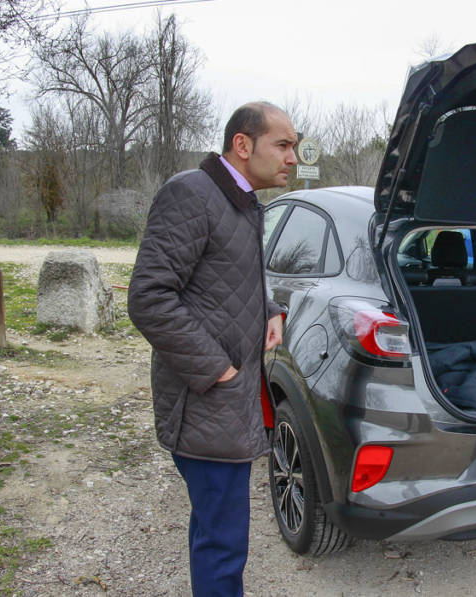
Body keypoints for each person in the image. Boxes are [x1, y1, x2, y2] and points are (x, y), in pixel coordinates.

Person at [128, 102, 297, 596]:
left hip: (230, 399)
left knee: (216, 532)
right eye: (283, 145)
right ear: (242, 146)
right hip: (207, 400)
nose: (292, 157)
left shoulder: (240, 201)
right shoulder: (192, 194)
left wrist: (266, 308)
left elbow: (222, 277)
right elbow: (149, 297)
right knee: (223, 542)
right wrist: (218, 369)